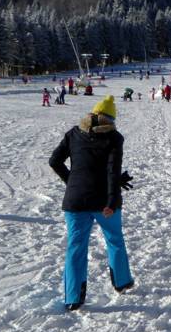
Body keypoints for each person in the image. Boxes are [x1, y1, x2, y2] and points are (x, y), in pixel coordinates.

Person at [49, 95, 134, 311]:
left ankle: (72, 297)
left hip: (75, 202)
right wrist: (112, 201)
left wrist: (72, 183)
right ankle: (122, 282)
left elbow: (54, 161)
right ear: (111, 119)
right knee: (114, 240)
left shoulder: (73, 133)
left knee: (75, 247)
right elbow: (111, 169)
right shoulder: (114, 138)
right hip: (104, 201)